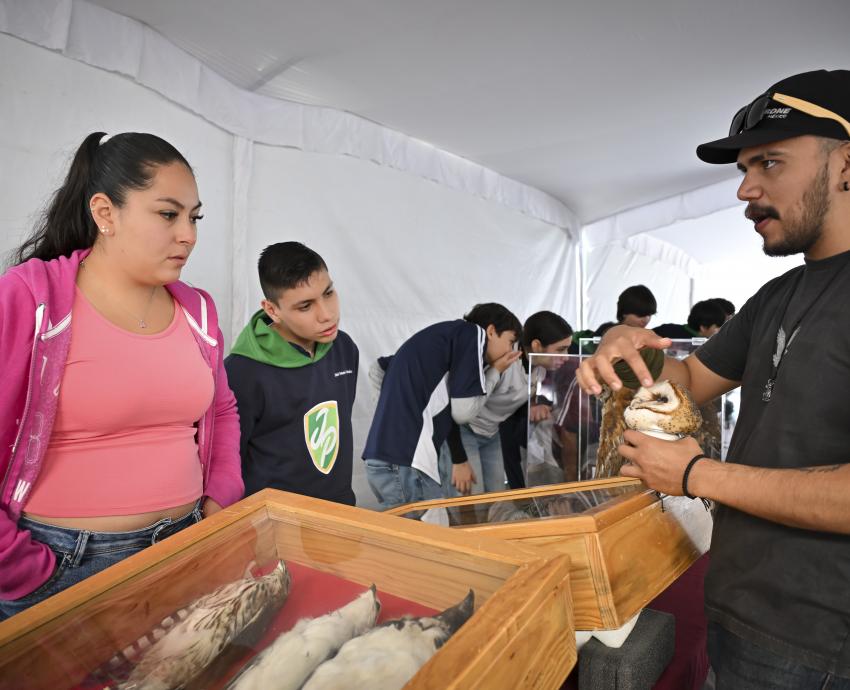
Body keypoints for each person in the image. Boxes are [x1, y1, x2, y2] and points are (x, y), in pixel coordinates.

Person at [576, 69, 850, 688]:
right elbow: (689, 379)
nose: (746, 189)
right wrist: (630, 349)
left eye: (770, 163)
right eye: (744, 169)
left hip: (819, 644)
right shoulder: (778, 294)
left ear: (845, 165)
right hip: (740, 608)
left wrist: (698, 475)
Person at [0, 132, 243, 620]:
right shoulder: (30, 297)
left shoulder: (197, 309)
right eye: (167, 214)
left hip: (185, 549)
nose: (189, 235)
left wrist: (221, 499)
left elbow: (222, 408)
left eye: (194, 217)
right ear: (105, 213)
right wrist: (17, 565)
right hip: (65, 567)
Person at [225, 242, 358, 505]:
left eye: (329, 293)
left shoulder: (344, 348)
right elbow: (229, 463)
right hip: (276, 523)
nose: (327, 314)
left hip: (341, 511)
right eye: (305, 306)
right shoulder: (242, 372)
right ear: (272, 310)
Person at [363, 303, 522, 510]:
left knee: (414, 534)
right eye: (511, 342)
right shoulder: (472, 334)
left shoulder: (442, 346)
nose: (511, 351)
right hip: (408, 463)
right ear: (491, 332)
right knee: (429, 536)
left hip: (382, 460)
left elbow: (378, 369)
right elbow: (463, 412)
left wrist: (388, 427)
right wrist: (496, 371)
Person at [498, 312, 575, 489]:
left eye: (567, 348)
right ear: (537, 345)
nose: (566, 356)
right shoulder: (507, 363)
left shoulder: (539, 368)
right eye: (560, 349)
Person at [569, 285, 657, 354]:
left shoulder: (648, 337)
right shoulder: (608, 333)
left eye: (649, 315)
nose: (646, 319)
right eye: (640, 314)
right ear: (624, 312)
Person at [654, 299, 728, 339]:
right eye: (718, 327)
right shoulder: (704, 346)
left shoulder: (666, 328)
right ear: (703, 327)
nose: (720, 330)